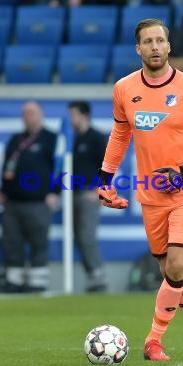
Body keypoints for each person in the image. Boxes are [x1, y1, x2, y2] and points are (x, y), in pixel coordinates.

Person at [97, 18, 183, 361]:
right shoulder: (124, 89)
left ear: (169, 46)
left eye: (160, 41)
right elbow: (120, 134)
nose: (155, 47)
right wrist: (105, 178)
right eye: (148, 42)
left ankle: (153, 341)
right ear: (138, 48)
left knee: (175, 266)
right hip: (151, 195)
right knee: (171, 272)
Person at [0, 101, 60, 293]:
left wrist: (54, 192)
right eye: (25, 113)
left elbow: (60, 168)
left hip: (38, 203)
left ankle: (36, 283)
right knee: (12, 243)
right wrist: (4, 191)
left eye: (32, 113)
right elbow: (7, 167)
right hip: (13, 203)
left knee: (38, 243)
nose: (28, 117)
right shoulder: (15, 139)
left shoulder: (52, 139)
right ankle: (13, 282)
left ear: (41, 115)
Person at [68, 100, 108, 292]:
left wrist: (98, 191)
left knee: (86, 236)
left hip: (89, 195)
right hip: (73, 194)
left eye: (73, 114)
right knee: (77, 237)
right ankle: (92, 276)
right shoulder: (73, 139)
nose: (70, 119)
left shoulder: (96, 138)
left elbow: (109, 166)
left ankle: (98, 277)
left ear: (84, 115)